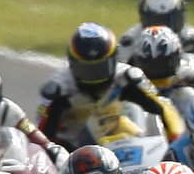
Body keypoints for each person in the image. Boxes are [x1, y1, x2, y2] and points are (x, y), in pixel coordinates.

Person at [36, 23, 184, 150]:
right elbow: (41, 135)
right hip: (72, 150)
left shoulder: (128, 76)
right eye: (87, 70)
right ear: (72, 63)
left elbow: (163, 107)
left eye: (100, 68)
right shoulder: (57, 90)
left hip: (116, 138)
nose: (94, 77)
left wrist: (175, 143)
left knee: (134, 114)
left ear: (114, 60)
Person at [129, 26, 194, 119]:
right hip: (147, 120)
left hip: (182, 120)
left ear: (177, 56)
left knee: (186, 94)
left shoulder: (192, 66)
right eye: (150, 63)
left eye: (163, 63)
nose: (157, 69)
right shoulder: (131, 75)